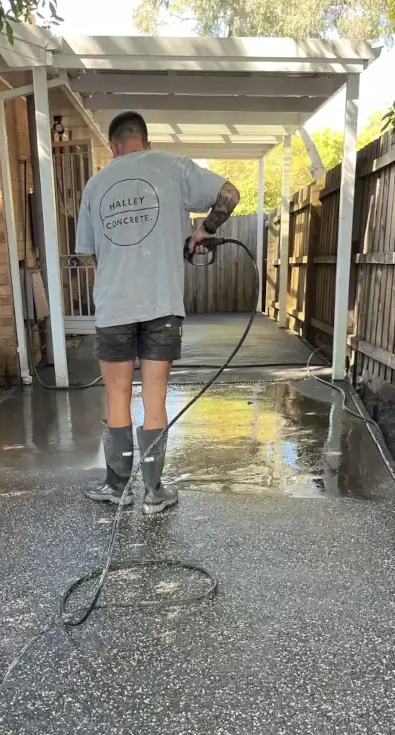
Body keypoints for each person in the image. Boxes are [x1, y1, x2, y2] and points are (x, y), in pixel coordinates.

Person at [75, 110, 240, 515]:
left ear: (113, 146)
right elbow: (230, 194)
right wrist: (205, 231)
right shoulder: (173, 167)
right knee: (154, 396)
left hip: (114, 306)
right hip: (161, 305)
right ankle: (153, 493)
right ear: (145, 141)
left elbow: (87, 254)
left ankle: (116, 488)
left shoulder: (95, 185)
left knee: (116, 394)